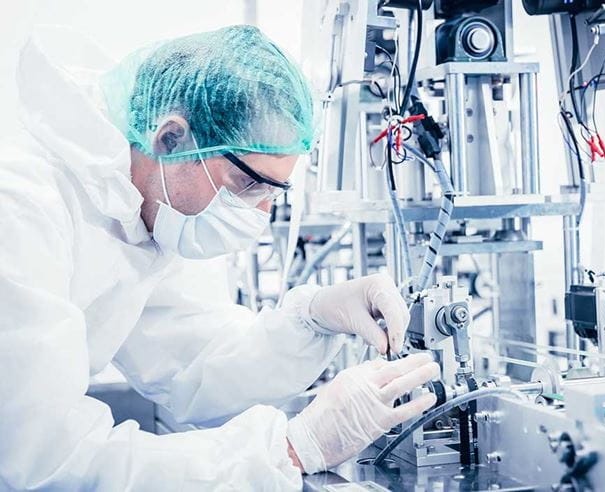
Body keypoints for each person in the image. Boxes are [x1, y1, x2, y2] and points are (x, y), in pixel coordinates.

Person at [0, 24, 438, 490]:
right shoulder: (22, 207)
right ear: (171, 139)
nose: (262, 213)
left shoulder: (140, 209)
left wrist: (314, 319)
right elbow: (40, 462)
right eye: (250, 184)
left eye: (275, 191)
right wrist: (292, 450)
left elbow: (193, 363)